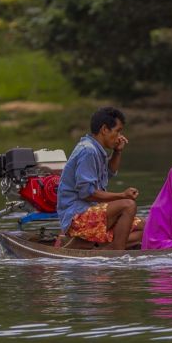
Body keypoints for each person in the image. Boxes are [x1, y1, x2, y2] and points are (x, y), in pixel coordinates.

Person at [56, 106, 143, 249]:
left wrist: (117, 152)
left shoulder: (96, 149)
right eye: (118, 131)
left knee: (145, 229)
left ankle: (96, 247)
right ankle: (116, 254)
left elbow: (109, 172)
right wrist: (122, 195)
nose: (120, 136)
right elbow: (87, 193)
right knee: (128, 205)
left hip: (93, 213)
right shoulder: (88, 151)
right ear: (104, 129)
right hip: (77, 217)